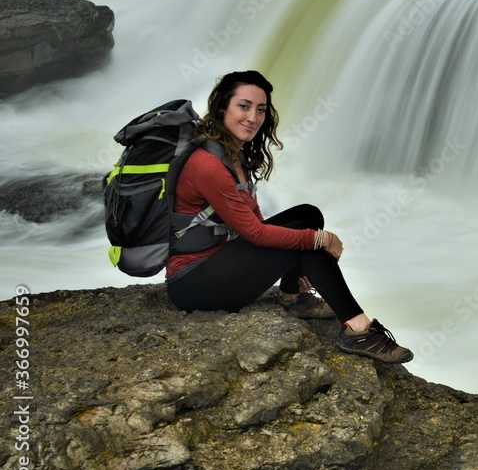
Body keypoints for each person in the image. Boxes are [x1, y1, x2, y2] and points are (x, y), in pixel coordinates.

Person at [165, 70, 413, 363]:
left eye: (260, 110)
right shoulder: (208, 165)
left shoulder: (232, 154)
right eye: (244, 106)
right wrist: (319, 239)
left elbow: (254, 219)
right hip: (194, 284)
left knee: (309, 215)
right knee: (308, 242)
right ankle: (358, 329)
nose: (253, 118)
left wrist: (305, 241)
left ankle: (291, 295)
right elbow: (255, 234)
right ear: (222, 108)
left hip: (221, 260)